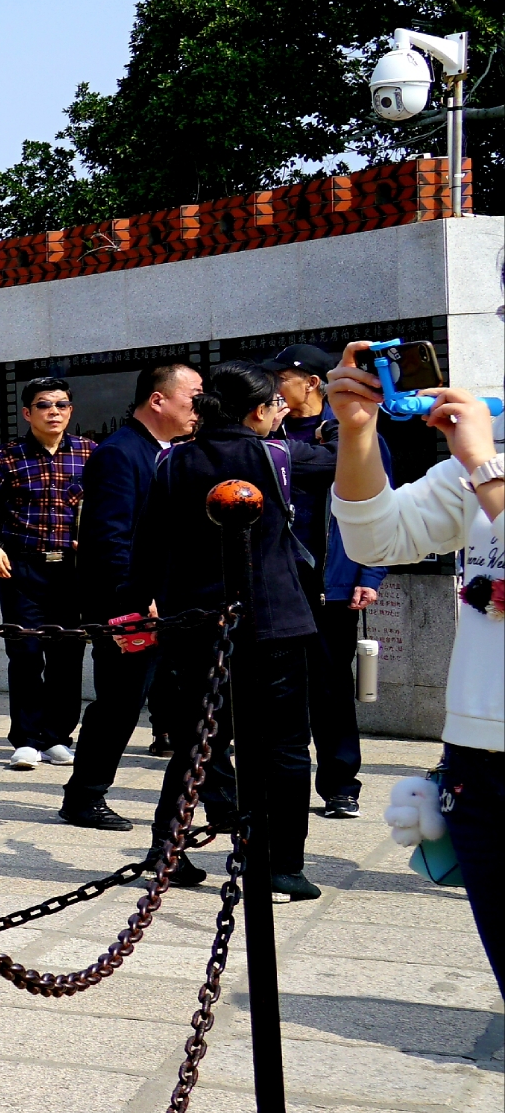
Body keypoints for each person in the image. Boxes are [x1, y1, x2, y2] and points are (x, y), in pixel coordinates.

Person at [132, 363, 317, 897]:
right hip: (274, 622)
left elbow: (147, 545)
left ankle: (166, 852)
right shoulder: (277, 455)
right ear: (259, 411)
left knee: (198, 742)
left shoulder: (173, 460)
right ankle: (283, 864)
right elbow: (340, 462)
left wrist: (132, 609)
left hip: (196, 624)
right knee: (283, 746)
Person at [59, 363, 203, 832]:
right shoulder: (120, 454)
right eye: (192, 396)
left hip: (168, 603)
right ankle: (84, 797)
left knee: (180, 704)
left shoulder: (171, 451)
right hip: (129, 605)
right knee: (119, 703)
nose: (198, 408)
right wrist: (138, 601)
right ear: (158, 399)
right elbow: (111, 539)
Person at [267, 343, 382, 818]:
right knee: (278, 687)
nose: (274, 389)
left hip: (329, 582)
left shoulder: (351, 431)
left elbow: (378, 503)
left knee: (332, 688)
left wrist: (370, 573)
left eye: (282, 379)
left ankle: (339, 784)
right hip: (277, 583)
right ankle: (277, 778)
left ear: (312, 383)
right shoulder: (267, 430)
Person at [0, 376, 98, 771]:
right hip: (22, 568)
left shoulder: (92, 453)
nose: (53, 412)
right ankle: (25, 739)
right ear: (28, 413)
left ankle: (57, 737)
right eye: (44, 405)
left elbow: (111, 502)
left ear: (70, 410)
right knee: (24, 653)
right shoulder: (6, 457)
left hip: (74, 570)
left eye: (61, 404)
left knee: (67, 654)